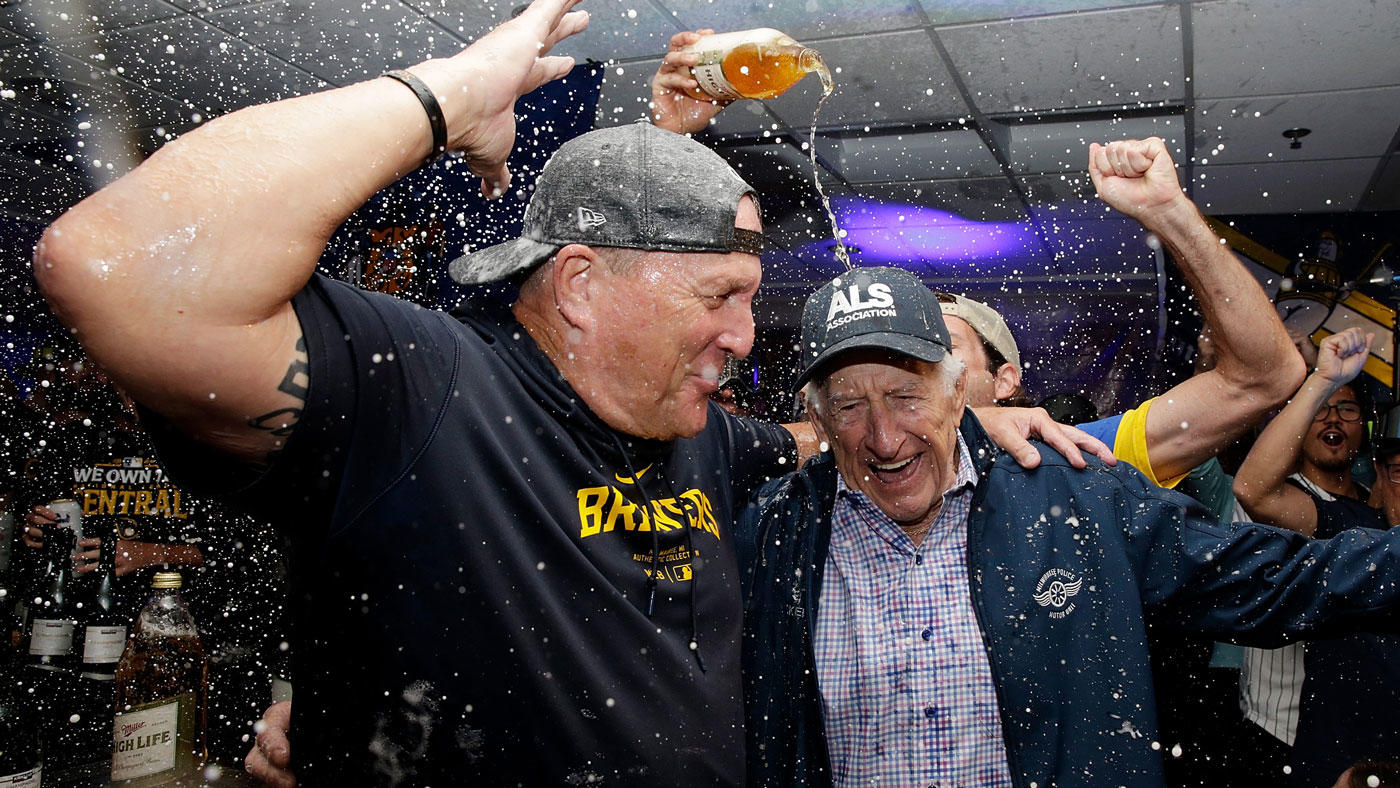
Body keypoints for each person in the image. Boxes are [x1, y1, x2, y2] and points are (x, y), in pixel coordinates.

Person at [34, 6, 1104, 785]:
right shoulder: (422, 392)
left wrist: (959, 418)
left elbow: (825, 435)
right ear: (581, 286)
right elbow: (115, 267)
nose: (744, 336)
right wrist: (447, 96)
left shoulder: (700, 437)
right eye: (723, 300)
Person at [737, 265, 1400, 788]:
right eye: (850, 405)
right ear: (817, 420)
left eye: (908, 395)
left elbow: (1275, 578)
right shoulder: (775, 534)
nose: (884, 437)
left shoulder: (1073, 494)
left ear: (955, 388)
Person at [937, 138, 1304, 488]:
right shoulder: (880, 458)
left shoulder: (1063, 455)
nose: (920, 362)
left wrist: (1170, 214)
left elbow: (1263, 377)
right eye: (901, 352)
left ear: (1004, 381)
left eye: (944, 347)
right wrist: (962, 428)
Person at [1233, 327, 1400, 787]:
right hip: (1289, 732)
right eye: (1321, 412)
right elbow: (1252, 490)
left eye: (1346, 409)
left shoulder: (1371, 513)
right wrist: (1321, 380)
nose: (1333, 419)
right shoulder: (1337, 523)